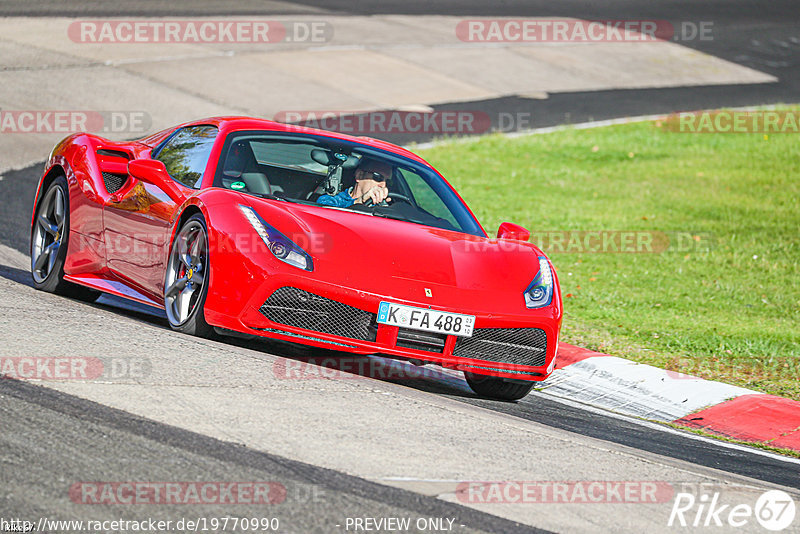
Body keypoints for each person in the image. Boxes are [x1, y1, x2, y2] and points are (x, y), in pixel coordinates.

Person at [317, 157, 392, 208]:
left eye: (388, 181)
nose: (383, 185)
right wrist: (359, 202)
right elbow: (323, 209)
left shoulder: (383, 207)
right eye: (378, 177)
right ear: (360, 175)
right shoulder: (336, 200)